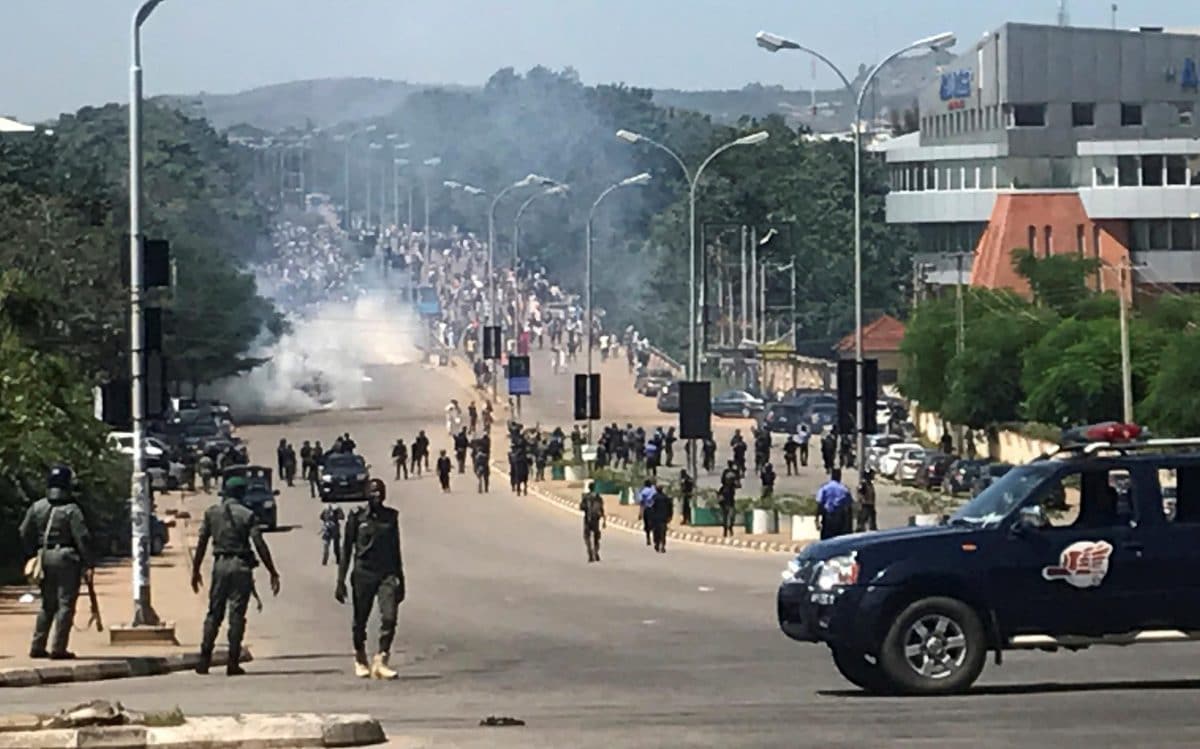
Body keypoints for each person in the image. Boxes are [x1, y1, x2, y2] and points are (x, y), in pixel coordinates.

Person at [191, 475, 281, 676]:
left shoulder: (211, 513)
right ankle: (232, 662)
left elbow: (202, 543)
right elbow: (259, 544)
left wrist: (196, 570)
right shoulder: (247, 515)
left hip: (220, 565)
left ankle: (204, 659)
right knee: (237, 615)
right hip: (241, 566)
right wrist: (272, 571)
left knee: (214, 613)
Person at [20, 465, 93, 660]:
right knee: (65, 605)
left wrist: (33, 553)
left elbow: (24, 532)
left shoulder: (37, 507)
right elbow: (82, 538)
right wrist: (89, 562)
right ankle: (58, 648)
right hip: (67, 559)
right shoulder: (72, 510)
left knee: (47, 604)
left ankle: (37, 645)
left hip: (44, 557)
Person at [336, 479, 405, 679]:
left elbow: (396, 549)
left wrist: (401, 578)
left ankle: (381, 659)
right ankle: (360, 656)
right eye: (373, 491)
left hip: (386, 573)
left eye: (381, 491)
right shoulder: (357, 518)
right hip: (363, 573)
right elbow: (346, 549)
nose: (377, 495)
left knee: (390, 617)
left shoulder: (391, 517)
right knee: (360, 619)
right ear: (366, 493)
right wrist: (340, 581)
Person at [816, 469, 854, 540]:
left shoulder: (824, 488)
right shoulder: (844, 489)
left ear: (831, 476)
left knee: (826, 540)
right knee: (838, 540)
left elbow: (819, 504)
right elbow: (849, 507)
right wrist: (849, 526)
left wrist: (817, 519)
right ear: (840, 477)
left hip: (827, 517)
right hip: (840, 518)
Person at [580, 481, 606, 563]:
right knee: (596, 538)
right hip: (596, 520)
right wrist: (604, 520)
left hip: (588, 519)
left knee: (586, 537)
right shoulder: (598, 497)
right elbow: (602, 510)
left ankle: (590, 553)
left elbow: (581, 507)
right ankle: (596, 552)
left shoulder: (585, 497)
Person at [649, 482, 673, 553]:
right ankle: (662, 544)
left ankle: (657, 544)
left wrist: (650, 518)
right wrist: (670, 516)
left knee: (656, 532)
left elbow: (651, 508)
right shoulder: (666, 498)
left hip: (656, 518)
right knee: (663, 532)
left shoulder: (654, 497)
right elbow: (670, 508)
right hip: (663, 518)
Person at [718, 460, 740, 538]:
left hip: (728, 499)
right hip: (728, 500)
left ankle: (728, 530)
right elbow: (738, 484)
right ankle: (727, 530)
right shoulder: (734, 472)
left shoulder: (727, 472)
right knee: (729, 515)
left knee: (728, 515)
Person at [637, 479, 656, 546]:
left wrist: (640, 513)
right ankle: (655, 538)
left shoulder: (644, 491)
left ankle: (648, 539)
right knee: (654, 524)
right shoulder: (654, 490)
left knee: (647, 525)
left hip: (647, 509)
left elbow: (642, 503)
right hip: (654, 509)